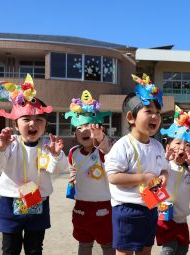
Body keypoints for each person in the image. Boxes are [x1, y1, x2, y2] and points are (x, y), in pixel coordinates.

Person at [0, 74, 68, 255]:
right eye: (26, 119)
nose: (33, 124)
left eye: (39, 120)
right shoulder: (11, 144)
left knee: (35, 248)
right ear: (15, 124)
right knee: (10, 249)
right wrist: (0, 147)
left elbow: (59, 169)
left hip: (39, 201)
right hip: (10, 202)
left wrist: (56, 154)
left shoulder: (46, 146)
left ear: (45, 125)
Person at [104, 74, 169, 255]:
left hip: (151, 206)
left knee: (145, 250)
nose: (155, 116)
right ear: (131, 117)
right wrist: (142, 178)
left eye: (157, 113)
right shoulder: (123, 145)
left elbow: (165, 168)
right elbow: (113, 176)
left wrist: (164, 175)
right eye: (148, 111)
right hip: (127, 209)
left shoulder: (157, 146)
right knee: (124, 251)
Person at [64, 90, 115, 255]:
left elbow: (108, 151)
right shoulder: (73, 152)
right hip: (81, 205)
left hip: (104, 204)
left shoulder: (102, 150)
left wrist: (101, 139)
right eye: (80, 127)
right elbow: (73, 167)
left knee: (107, 243)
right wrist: (72, 179)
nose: (84, 130)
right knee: (84, 242)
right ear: (75, 133)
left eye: (89, 126)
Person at [156, 105, 190, 255]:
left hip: (182, 219)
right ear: (168, 146)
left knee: (183, 249)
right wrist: (164, 160)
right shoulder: (164, 165)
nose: (182, 148)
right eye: (177, 143)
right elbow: (151, 189)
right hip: (163, 216)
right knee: (169, 248)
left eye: (187, 145)